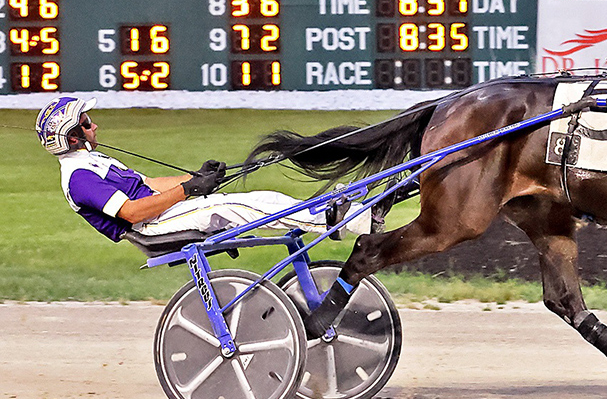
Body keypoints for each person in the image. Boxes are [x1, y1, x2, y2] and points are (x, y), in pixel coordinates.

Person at [36, 96, 369, 244]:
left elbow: (149, 183)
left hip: (165, 213)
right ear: (73, 136)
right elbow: (133, 212)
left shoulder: (94, 162)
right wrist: (188, 190)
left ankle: (339, 214)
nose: (95, 126)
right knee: (238, 207)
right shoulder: (79, 178)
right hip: (153, 227)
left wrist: (196, 177)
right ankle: (345, 220)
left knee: (260, 198)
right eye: (86, 123)